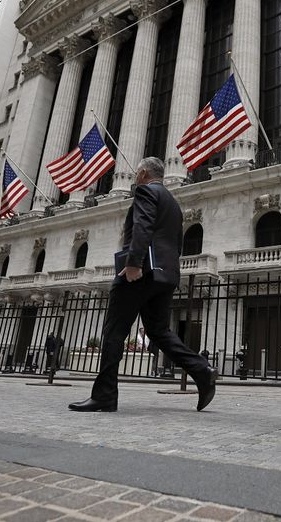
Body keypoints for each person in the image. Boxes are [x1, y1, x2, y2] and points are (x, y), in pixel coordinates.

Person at [69, 157, 218, 412]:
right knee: (159, 332)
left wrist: (134, 263)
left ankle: (104, 395)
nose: (136, 177)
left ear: (144, 174)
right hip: (166, 275)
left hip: (141, 273)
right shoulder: (172, 202)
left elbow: (142, 226)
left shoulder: (146, 192)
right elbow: (176, 242)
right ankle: (201, 370)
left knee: (114, 332)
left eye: (137, 172)